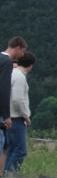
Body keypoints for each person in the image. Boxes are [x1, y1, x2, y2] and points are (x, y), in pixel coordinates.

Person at [4, 52, 36, 174]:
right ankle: (11, 176)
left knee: (11, 148)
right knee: (21, 150)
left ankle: (5, 176)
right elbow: (18, 99)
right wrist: (26, 116)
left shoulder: (12, 73)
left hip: (9, 116)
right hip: (17, 117)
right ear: (30, 65)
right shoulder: (20, 77)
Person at [1, 37, 28, 168]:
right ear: (17, 47)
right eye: (22, 51)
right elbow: (4, 90)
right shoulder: (6, 62)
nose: (22, 55)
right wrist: (7, 116)